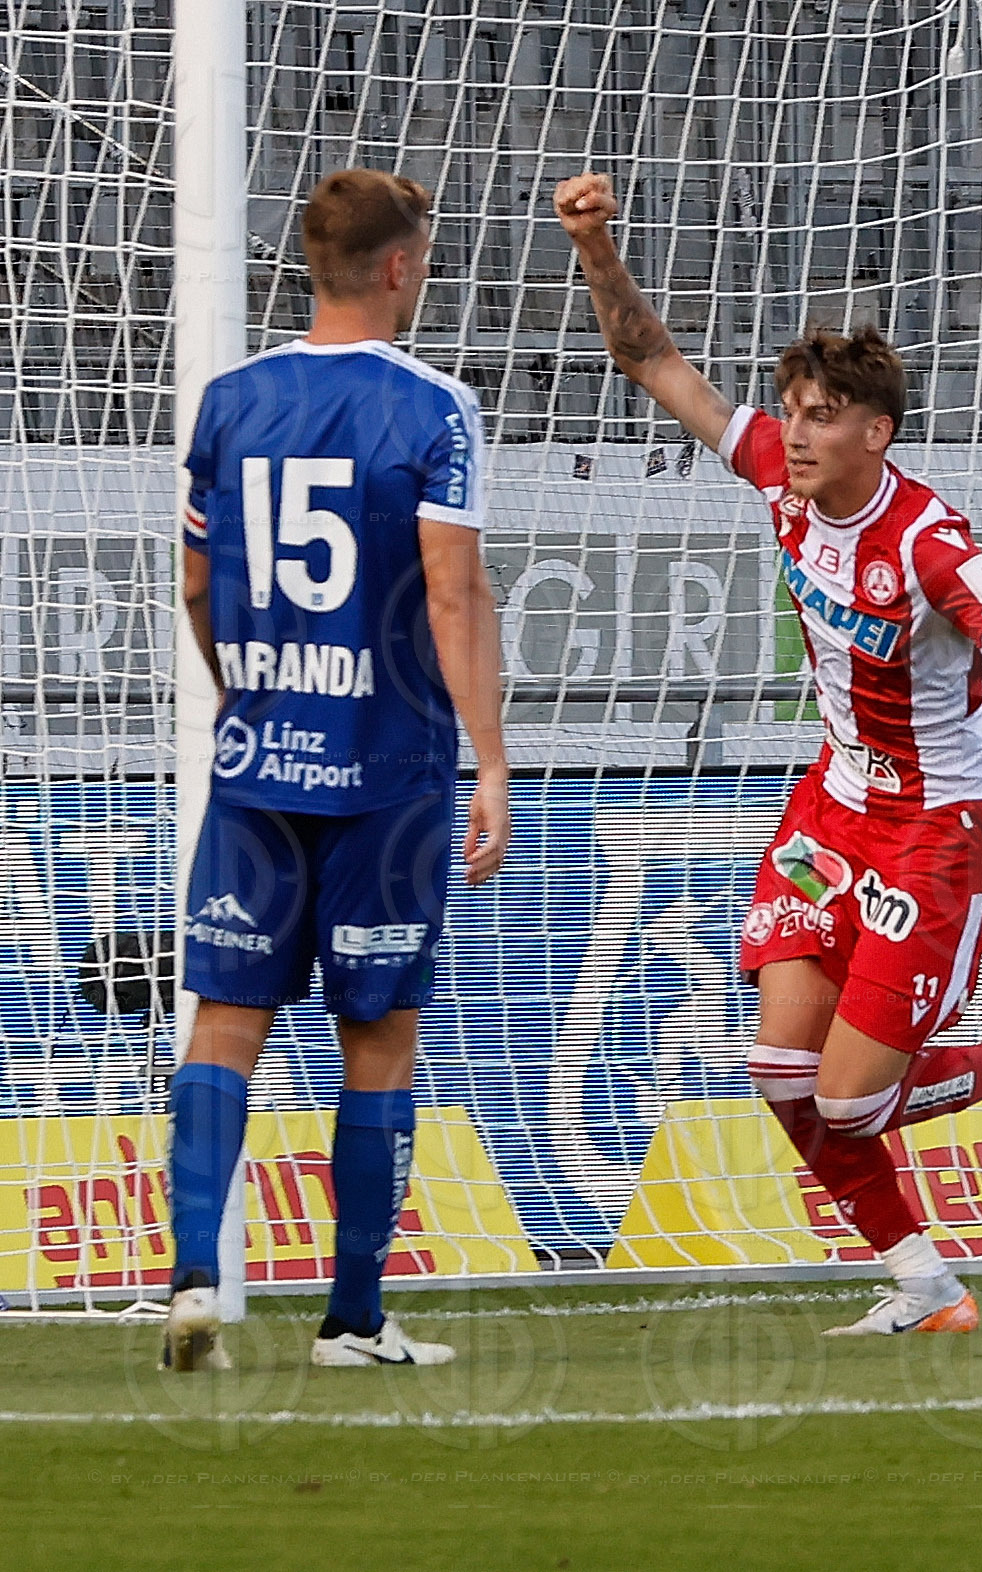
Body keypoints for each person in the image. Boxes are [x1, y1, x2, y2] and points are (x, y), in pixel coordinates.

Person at [555, 171, 982, 1334]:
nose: (793, 432)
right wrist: (598, 246)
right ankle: (927, 1286)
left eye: (818, 416)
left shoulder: (929, 542)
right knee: (778, 1076)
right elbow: (649, 357)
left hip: (935, 839)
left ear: (876, 432)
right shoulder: (776, 476)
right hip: (831, 811)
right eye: (789, 411)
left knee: (852, 1106)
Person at [165, 168, 509, 1370]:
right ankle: (354, 1318)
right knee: (379, 1040)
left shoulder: (228, 398)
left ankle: (195, 1272)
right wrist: (495, 766)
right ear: (401, 266)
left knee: (223, 1023)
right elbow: (455, 592)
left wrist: (243, 693)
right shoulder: (432, 406)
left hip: (257, 762)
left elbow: (200, 585)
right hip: (389, 769)